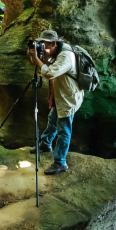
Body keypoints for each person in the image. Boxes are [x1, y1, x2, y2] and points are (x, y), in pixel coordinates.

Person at [27, 30, 84, 175]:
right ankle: (45, 144)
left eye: (44, 44)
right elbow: (47, 67)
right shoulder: (55, 52)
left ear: (54, 44)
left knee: (64, 130)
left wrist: (37, 58)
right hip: (60, 95)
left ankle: (60, 162)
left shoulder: (66, 55)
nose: (42, 47)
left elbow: (49, 73)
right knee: (52, 119)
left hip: (68, 98)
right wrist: (39, 56)